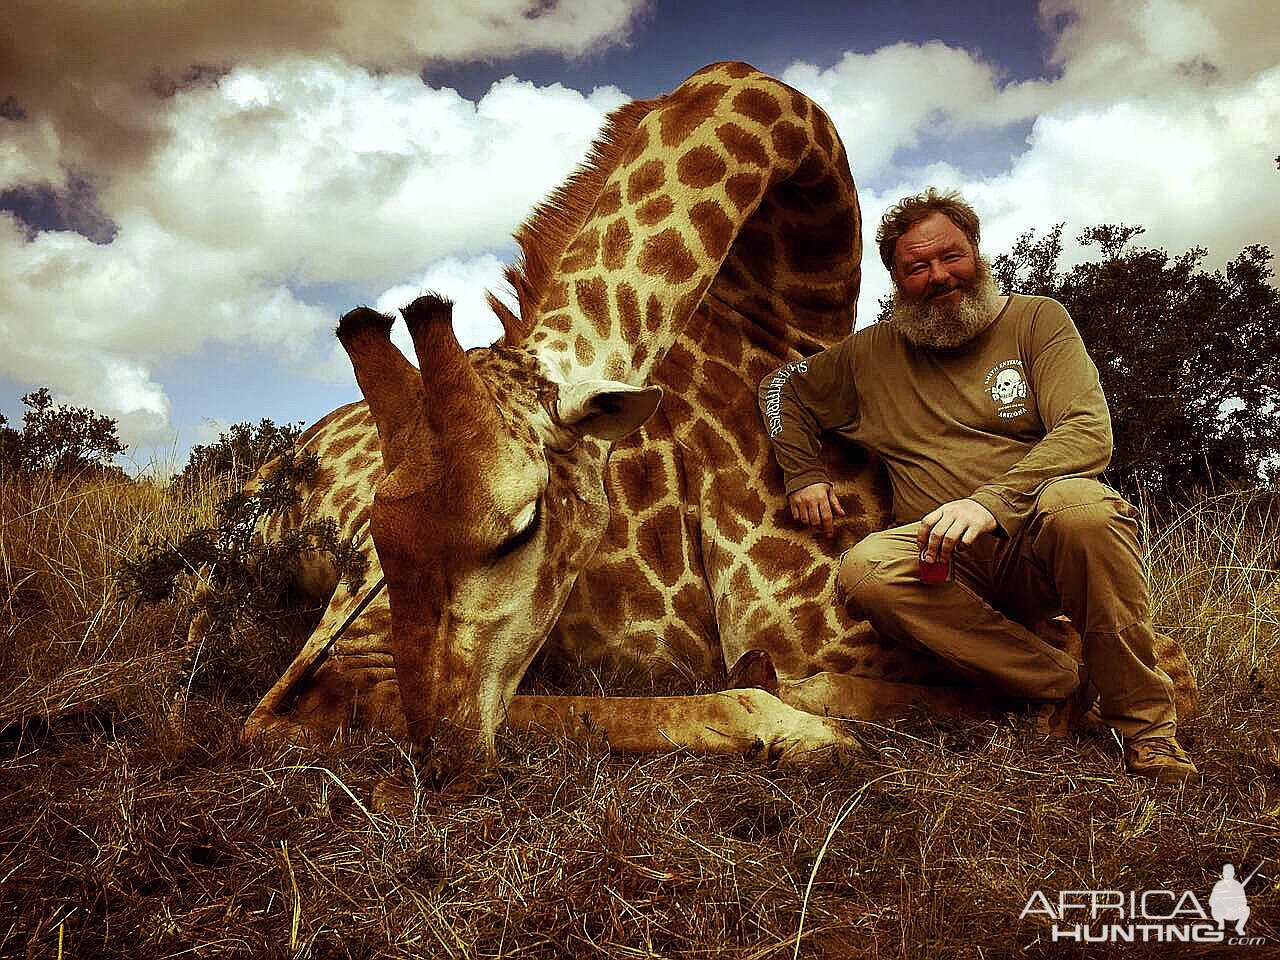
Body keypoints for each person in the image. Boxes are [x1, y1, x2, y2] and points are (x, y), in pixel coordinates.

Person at [758, 188, 1197, 784]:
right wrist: (803, 473)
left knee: (1085, 509)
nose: (939, 276)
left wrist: (990, 502)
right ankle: (1063, 679)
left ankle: (1148, 734)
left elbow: (1088, 431)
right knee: (865, 569)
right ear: (896, 279)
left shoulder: (1036, 320)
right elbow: (782, 387)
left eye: (952, 256)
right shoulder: (867, 355)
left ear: (976, 251)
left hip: (1040, 531)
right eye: (917, 267)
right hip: (944, 557)